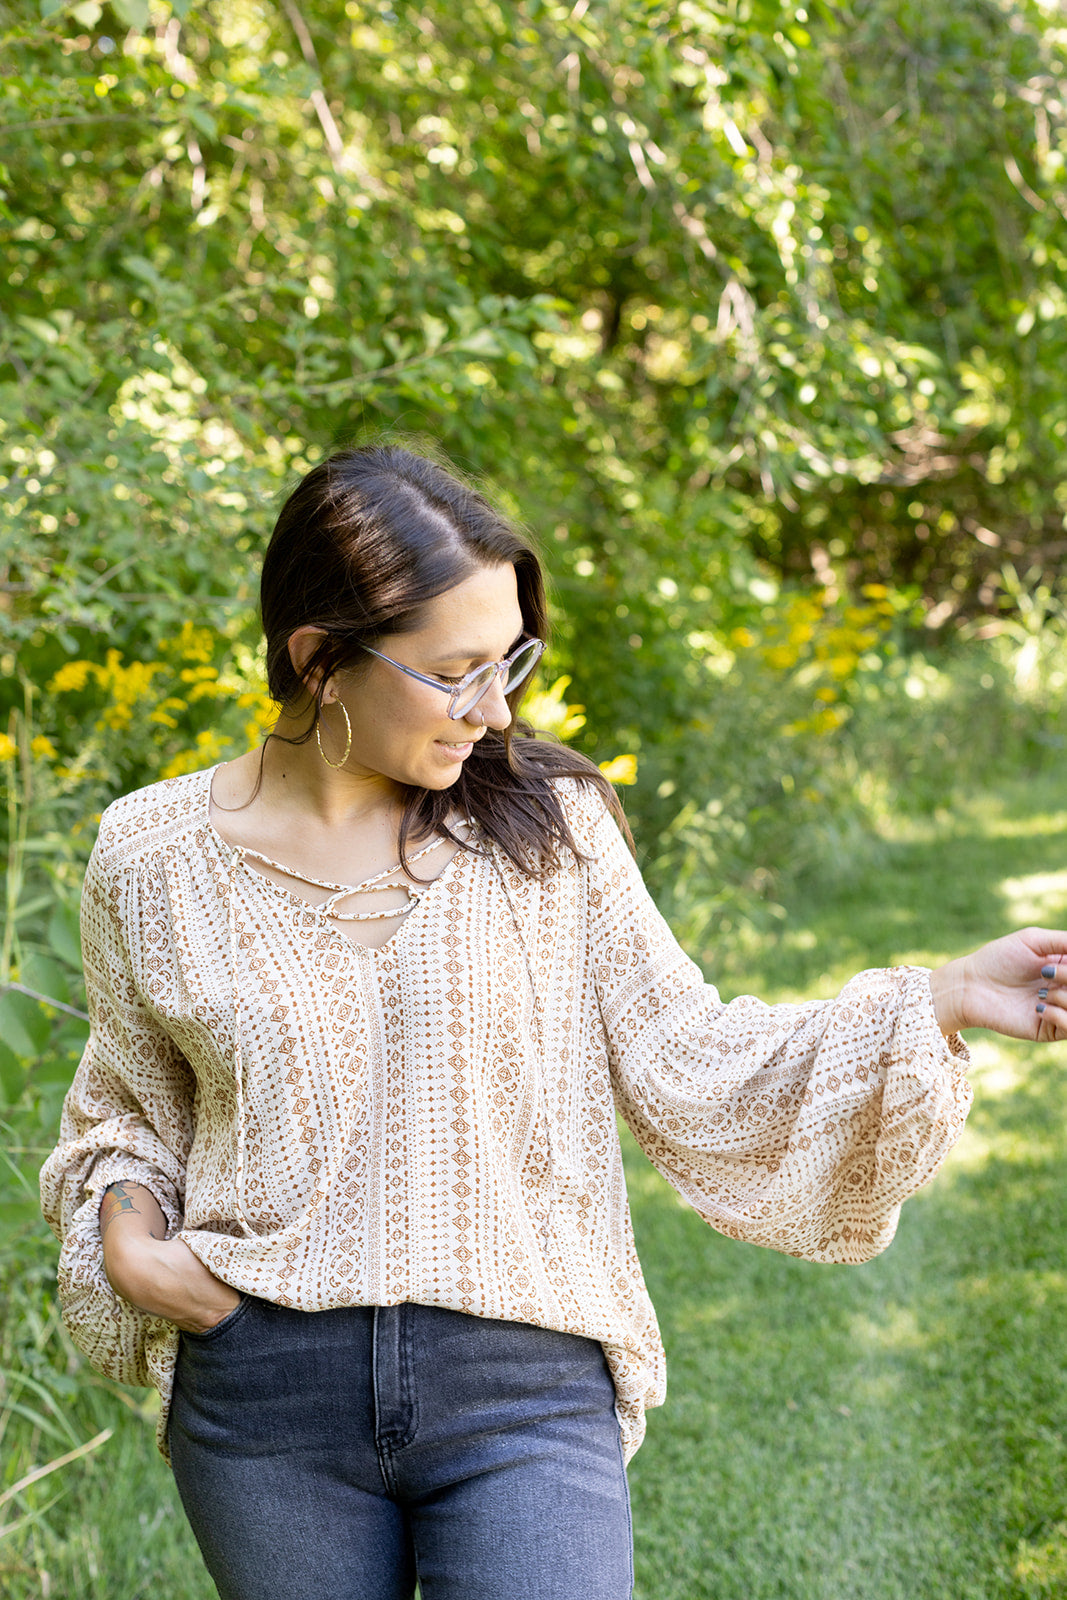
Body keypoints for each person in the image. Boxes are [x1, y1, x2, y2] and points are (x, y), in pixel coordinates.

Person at [40, 443, 1067, 1600]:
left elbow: (691, 1057)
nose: (495, 708)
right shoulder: (149, 856)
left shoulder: (547, 828)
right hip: (263, 1393)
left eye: (508, 659)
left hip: (522, 1384)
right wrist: (127, 1233)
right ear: (319, 659)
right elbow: (127, 1108)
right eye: (454, 671)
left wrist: (932, 997)